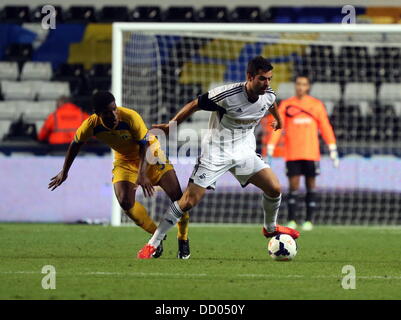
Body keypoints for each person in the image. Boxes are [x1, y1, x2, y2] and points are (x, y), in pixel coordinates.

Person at [137, 56, 300, 259]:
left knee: (274, 188)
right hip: (216, 152)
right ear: (249, 77)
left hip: (243, 151)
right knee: (188, 201)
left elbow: (271, 103)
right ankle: (154, 242)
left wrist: (278, 120)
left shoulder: (268, 94)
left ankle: (269, 228)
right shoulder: (227, 94)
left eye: (269, 79)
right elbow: (194, 104)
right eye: (262, 79)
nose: (266, 83)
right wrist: (172, 125)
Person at [48, 91, 191, 259]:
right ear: (98, 115)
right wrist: (64, 172)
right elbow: (75, 144)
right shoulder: (91, 125)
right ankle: (156, 237)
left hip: (151, 154)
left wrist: (142, 174)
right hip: (124, 160)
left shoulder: (130, 117)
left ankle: (183, 238)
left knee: (178, 198)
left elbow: (144, 145)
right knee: (125, 201)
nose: (113, 114)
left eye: (114, 109)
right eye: (108, 112)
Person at [266, 75, 339, 231]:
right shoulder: (287, 104)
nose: (300, 87)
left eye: (304, 84)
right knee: (293, 187)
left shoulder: (316, 105)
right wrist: (271, 145)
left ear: (308, 87)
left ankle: (309, 220)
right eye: (298, 84)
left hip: (311, 153)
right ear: (295, 86)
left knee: (311, 186)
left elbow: (325, 126)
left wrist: (332, 147)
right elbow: (279, 126)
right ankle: (292, 219)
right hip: (292, 153)